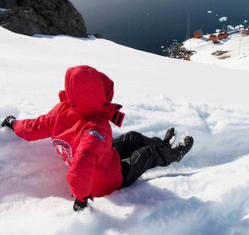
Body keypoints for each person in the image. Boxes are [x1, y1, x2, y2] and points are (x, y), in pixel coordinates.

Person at [1, 65, 193, 212]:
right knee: (146, 155)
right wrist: (81, 199)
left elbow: (34, 127)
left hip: (103, 158)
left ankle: (163, 144)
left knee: (133, 138)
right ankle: (175, 154)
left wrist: (13, 124)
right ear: (95, 95)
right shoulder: (96, 128)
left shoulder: (62, 110)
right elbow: (81, 165)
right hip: (107, 181)